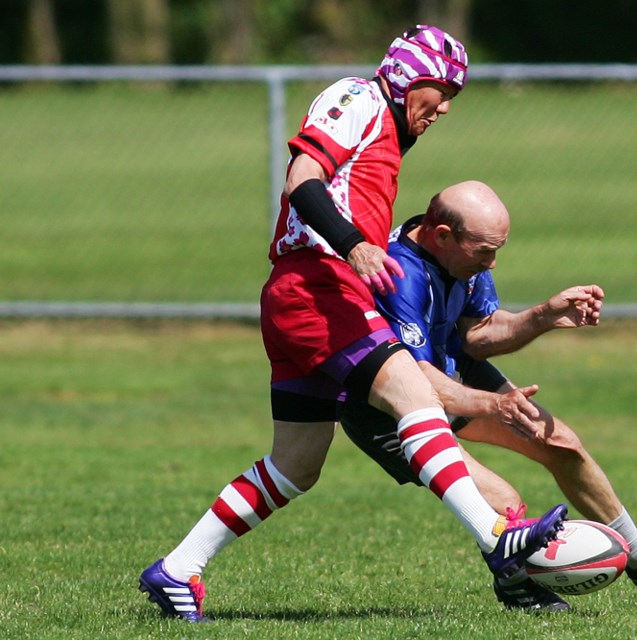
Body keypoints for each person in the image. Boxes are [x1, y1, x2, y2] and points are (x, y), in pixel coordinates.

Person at [138, 26, 566, 623]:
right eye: (440, 91)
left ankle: (178, 569)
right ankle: (498, 538)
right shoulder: (359, 99)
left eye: (452, 98)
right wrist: (355, 246)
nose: (444, 108)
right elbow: (302, 180)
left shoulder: (390, 132)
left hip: (305, 296)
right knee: (413, 395)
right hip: (318, 286)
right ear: (406, 77)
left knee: (295, 465)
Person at [339, 180, 637, 612]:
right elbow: (418, 381)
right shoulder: (401, 276)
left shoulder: (460, 258)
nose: (493, 262)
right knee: (502, 500)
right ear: (443, 236)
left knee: (561, 443)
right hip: (386, 408)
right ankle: (516, 585)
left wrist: (543, 316)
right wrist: (494, 405)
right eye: (484, 251)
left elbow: (478, 335)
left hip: (449, 367)